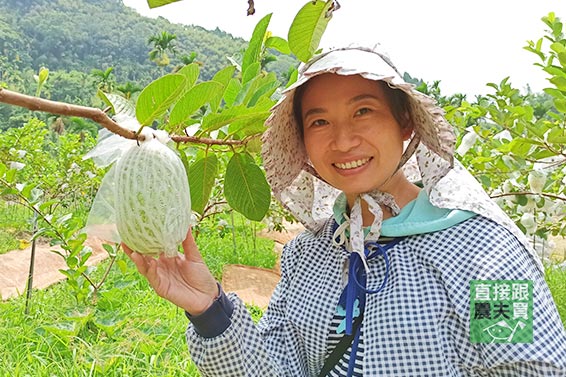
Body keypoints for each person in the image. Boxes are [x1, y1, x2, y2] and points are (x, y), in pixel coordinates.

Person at [123, 44, 566, 376]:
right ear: (303, 142)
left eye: (364, 111)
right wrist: (209, 310)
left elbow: (529, 367)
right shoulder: (308, 255)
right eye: (319, 121)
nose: (342, 140)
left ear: (406, 123)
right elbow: (279, 366)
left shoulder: (484, 254)